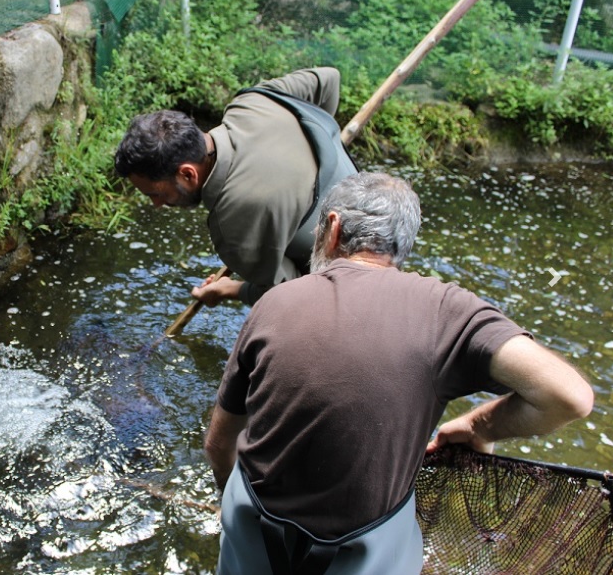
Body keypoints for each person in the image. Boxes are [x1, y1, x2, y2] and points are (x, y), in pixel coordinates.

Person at [203, 171, 595, 575]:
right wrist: (480, 427)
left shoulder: (276, 301)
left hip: (256, 535)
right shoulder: (447, 311)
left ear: (332, 229)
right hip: (363, 553)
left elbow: (219, 444)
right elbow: (569, 396)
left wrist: (226, 499)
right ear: (402, 244)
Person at [114, 67, 344, 306]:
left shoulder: (232, 225)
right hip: (375, 204)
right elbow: (329, 79)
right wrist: (323, 141)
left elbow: (291, 296)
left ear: (187, 174)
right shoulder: (254, 100)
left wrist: (229, 290)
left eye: (156, 194)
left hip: (355, 275)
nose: (157, 205)